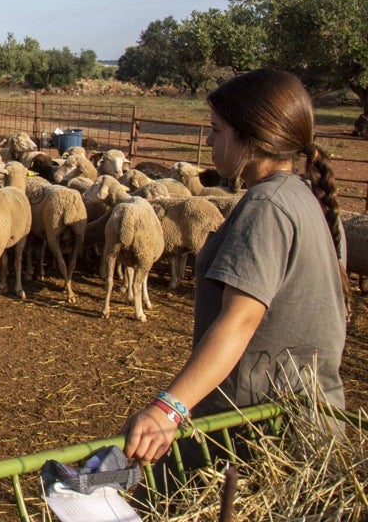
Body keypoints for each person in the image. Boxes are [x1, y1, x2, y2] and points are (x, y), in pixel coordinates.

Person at [123, 67, 346, 467]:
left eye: (216, 129)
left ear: (251, 137)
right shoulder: (301, 198)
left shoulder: (266, 207)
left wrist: (168, 410)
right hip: (301, 424)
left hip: (258, 433)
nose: (208, 140)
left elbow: (239, 321)